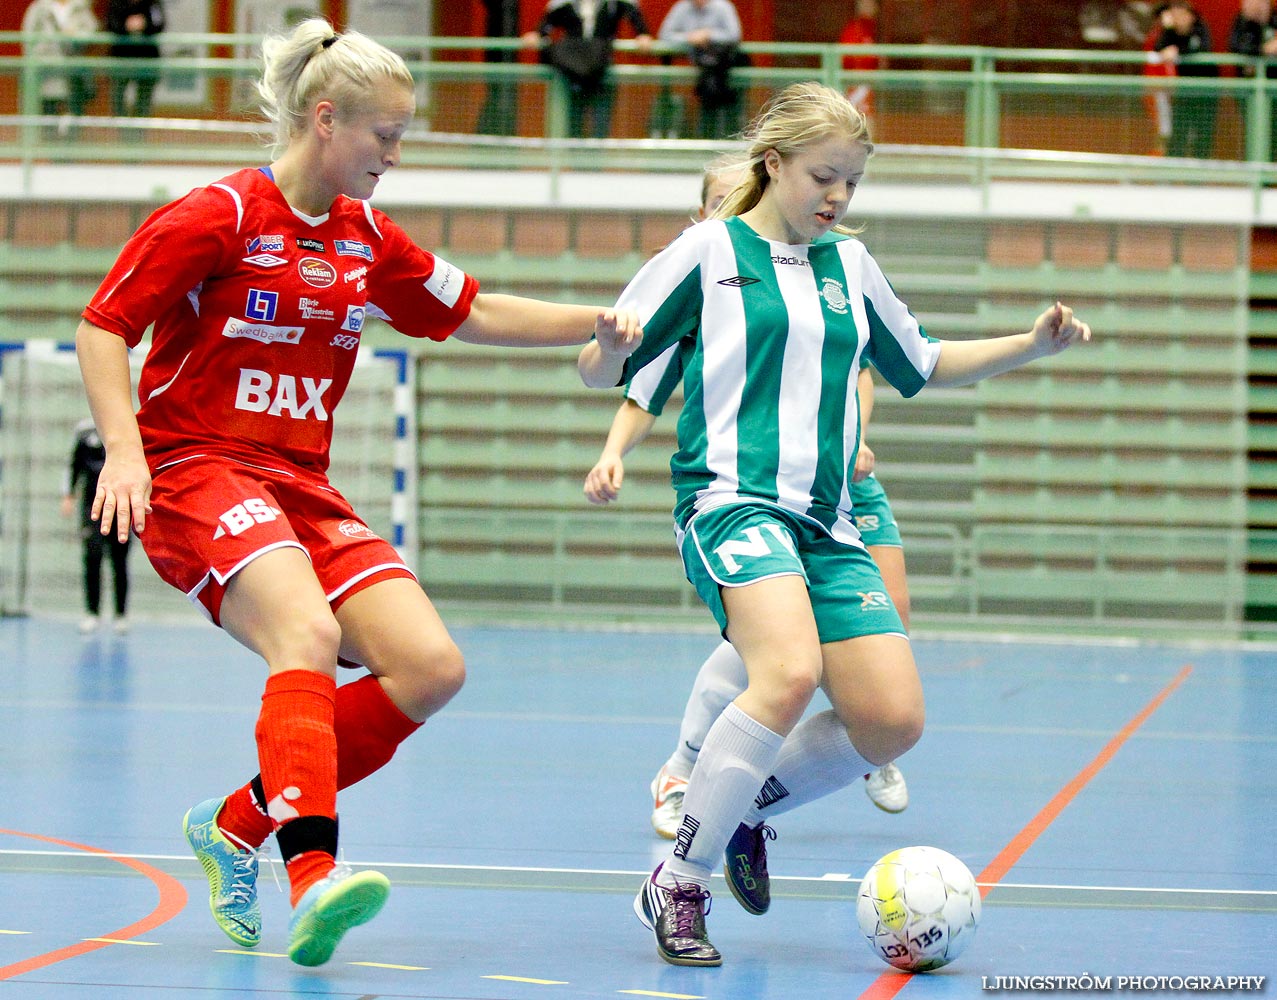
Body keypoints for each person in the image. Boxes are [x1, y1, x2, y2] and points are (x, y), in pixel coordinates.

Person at [75, 17, 640, 968]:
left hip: (299, 482)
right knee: (306, 634)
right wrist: (125, 456)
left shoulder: (367, 237)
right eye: (385, 134)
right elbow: (103, 326)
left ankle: (235, 822)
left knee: (428, 669)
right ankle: (314, 878)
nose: (395, 154)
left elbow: (474, 311)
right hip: (195, 467)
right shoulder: (217, 214)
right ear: (326, 119)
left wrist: (593, 322)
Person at [578, 81, 1091, 967]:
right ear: (770, 164)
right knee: (784, 672)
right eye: (823, 177)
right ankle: (682, 879)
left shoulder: (850, 265)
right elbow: (599, 368)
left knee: (888, 723)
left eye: (850, 183)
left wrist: (1027, 346)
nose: (836, 198)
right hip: (730, 500)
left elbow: (923, 364)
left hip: (827, 521)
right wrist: (611, 348)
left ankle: (735, 805)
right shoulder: (706, 250)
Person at [583, 161, 910, 839]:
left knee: (884, 644)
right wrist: (613, 451)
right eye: (715, 204)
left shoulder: (838, 269)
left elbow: (874, 369)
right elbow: (636, 382)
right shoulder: (710, 274)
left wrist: (854, 441)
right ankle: (689, 773)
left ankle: (858, 742)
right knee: (779, 654)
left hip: (838, 491)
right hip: (750, 493)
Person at [521, 0, 653, 138]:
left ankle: (597, 156)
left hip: (602, 70)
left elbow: (634, 15)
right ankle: (572, 155)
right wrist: (537, 34)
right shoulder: (563, 3)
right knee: (572, 124)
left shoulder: (615, 4)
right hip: (572, 72)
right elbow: (547, 23)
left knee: (601, 124)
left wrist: (642, 34)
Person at [61, 417, 131, 634]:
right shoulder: (84, 432)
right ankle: (92, 613)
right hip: (92, 508)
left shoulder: (127, 428)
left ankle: (120, 615)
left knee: (119, 560)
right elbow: (74, 465)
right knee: (92, 557)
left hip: (121, 506)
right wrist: (69, 495)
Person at [658, 0, 745, 140]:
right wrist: (689, 37)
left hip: (728, 72)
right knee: (707, 110)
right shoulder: (682, 7)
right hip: (704, 73)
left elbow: (734, 35)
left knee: (731, 114)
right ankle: (707, 142)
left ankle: (731, 143)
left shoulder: (723, 6)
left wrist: (709, 35)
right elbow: (664, 35)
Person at [20, 0, 99, 140]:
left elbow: (92, 31)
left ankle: (68, 152)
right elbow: (28, 36)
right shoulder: (39, 8)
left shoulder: (80, 7)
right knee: (49, 113)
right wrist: (41, 54)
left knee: (73, 114)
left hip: (73, 73)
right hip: (47, 71)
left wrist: (76, 36)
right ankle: (53, 152)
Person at [1155, 0, 1219, 158]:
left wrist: (1178, 51)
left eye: (1182, 14)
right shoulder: (1171, 32)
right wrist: (1168, 29)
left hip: (1206, 93)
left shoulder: (1200, 27)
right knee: (1179, 132)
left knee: (1202, 134)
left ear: (1190, 15)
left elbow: (1202, 47)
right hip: (1183, 91)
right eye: (1174, 14)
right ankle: (1171, 173)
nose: (1178, 18)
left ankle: (1199, 176)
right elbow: (1159, 47)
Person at [1228, 0, 1277, 160]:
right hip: (1248, 90)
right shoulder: (1242, 22)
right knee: (1254, 130)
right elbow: (1236, 46)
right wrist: (1263, 50)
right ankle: (1255, 169)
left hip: (1273, 89)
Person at [105, 0, 164, 127]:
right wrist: (126, 25)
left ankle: (139, 138)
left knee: (144, 102)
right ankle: (123, 137)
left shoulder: (153, 3)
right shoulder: (117, 3)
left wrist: (144, 24)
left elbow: (160, 23)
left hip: (147, 59)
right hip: (120, 59)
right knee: (118, 100)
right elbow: (110, 24)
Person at [839, 0, 881, 125]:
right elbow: (845, 56)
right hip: (855, 83)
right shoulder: (853, 29)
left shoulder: (872, 29)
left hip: (868, 84)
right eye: (865, 4)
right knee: (856, 121)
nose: (870, 8)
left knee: (867, 120)